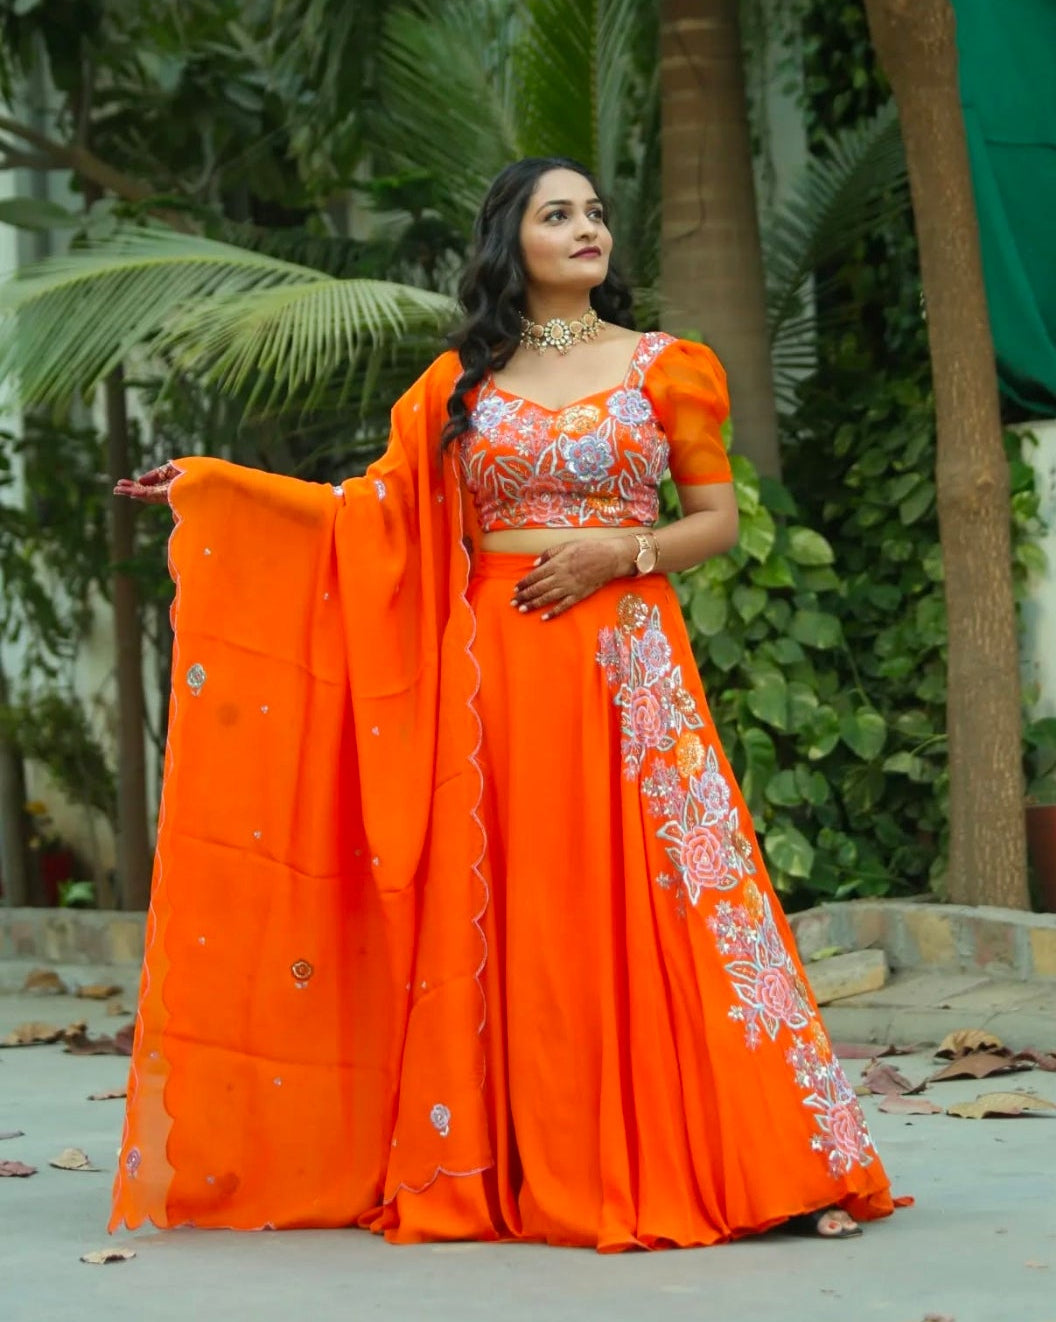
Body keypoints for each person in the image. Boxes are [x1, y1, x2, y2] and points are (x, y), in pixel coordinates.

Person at [111, 157, 902, 1250]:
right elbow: (367, 514)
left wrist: (614, 553)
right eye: (557, 213)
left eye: (596, 213)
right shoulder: (457, 388)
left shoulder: (667, 368)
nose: (588, 229)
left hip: (625, 664)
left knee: (672, 899)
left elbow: (713, 519)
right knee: (523, 913)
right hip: (495, 676)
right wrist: (216, 488)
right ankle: (531, 1158)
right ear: (508, 242)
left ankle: (768, 1156)